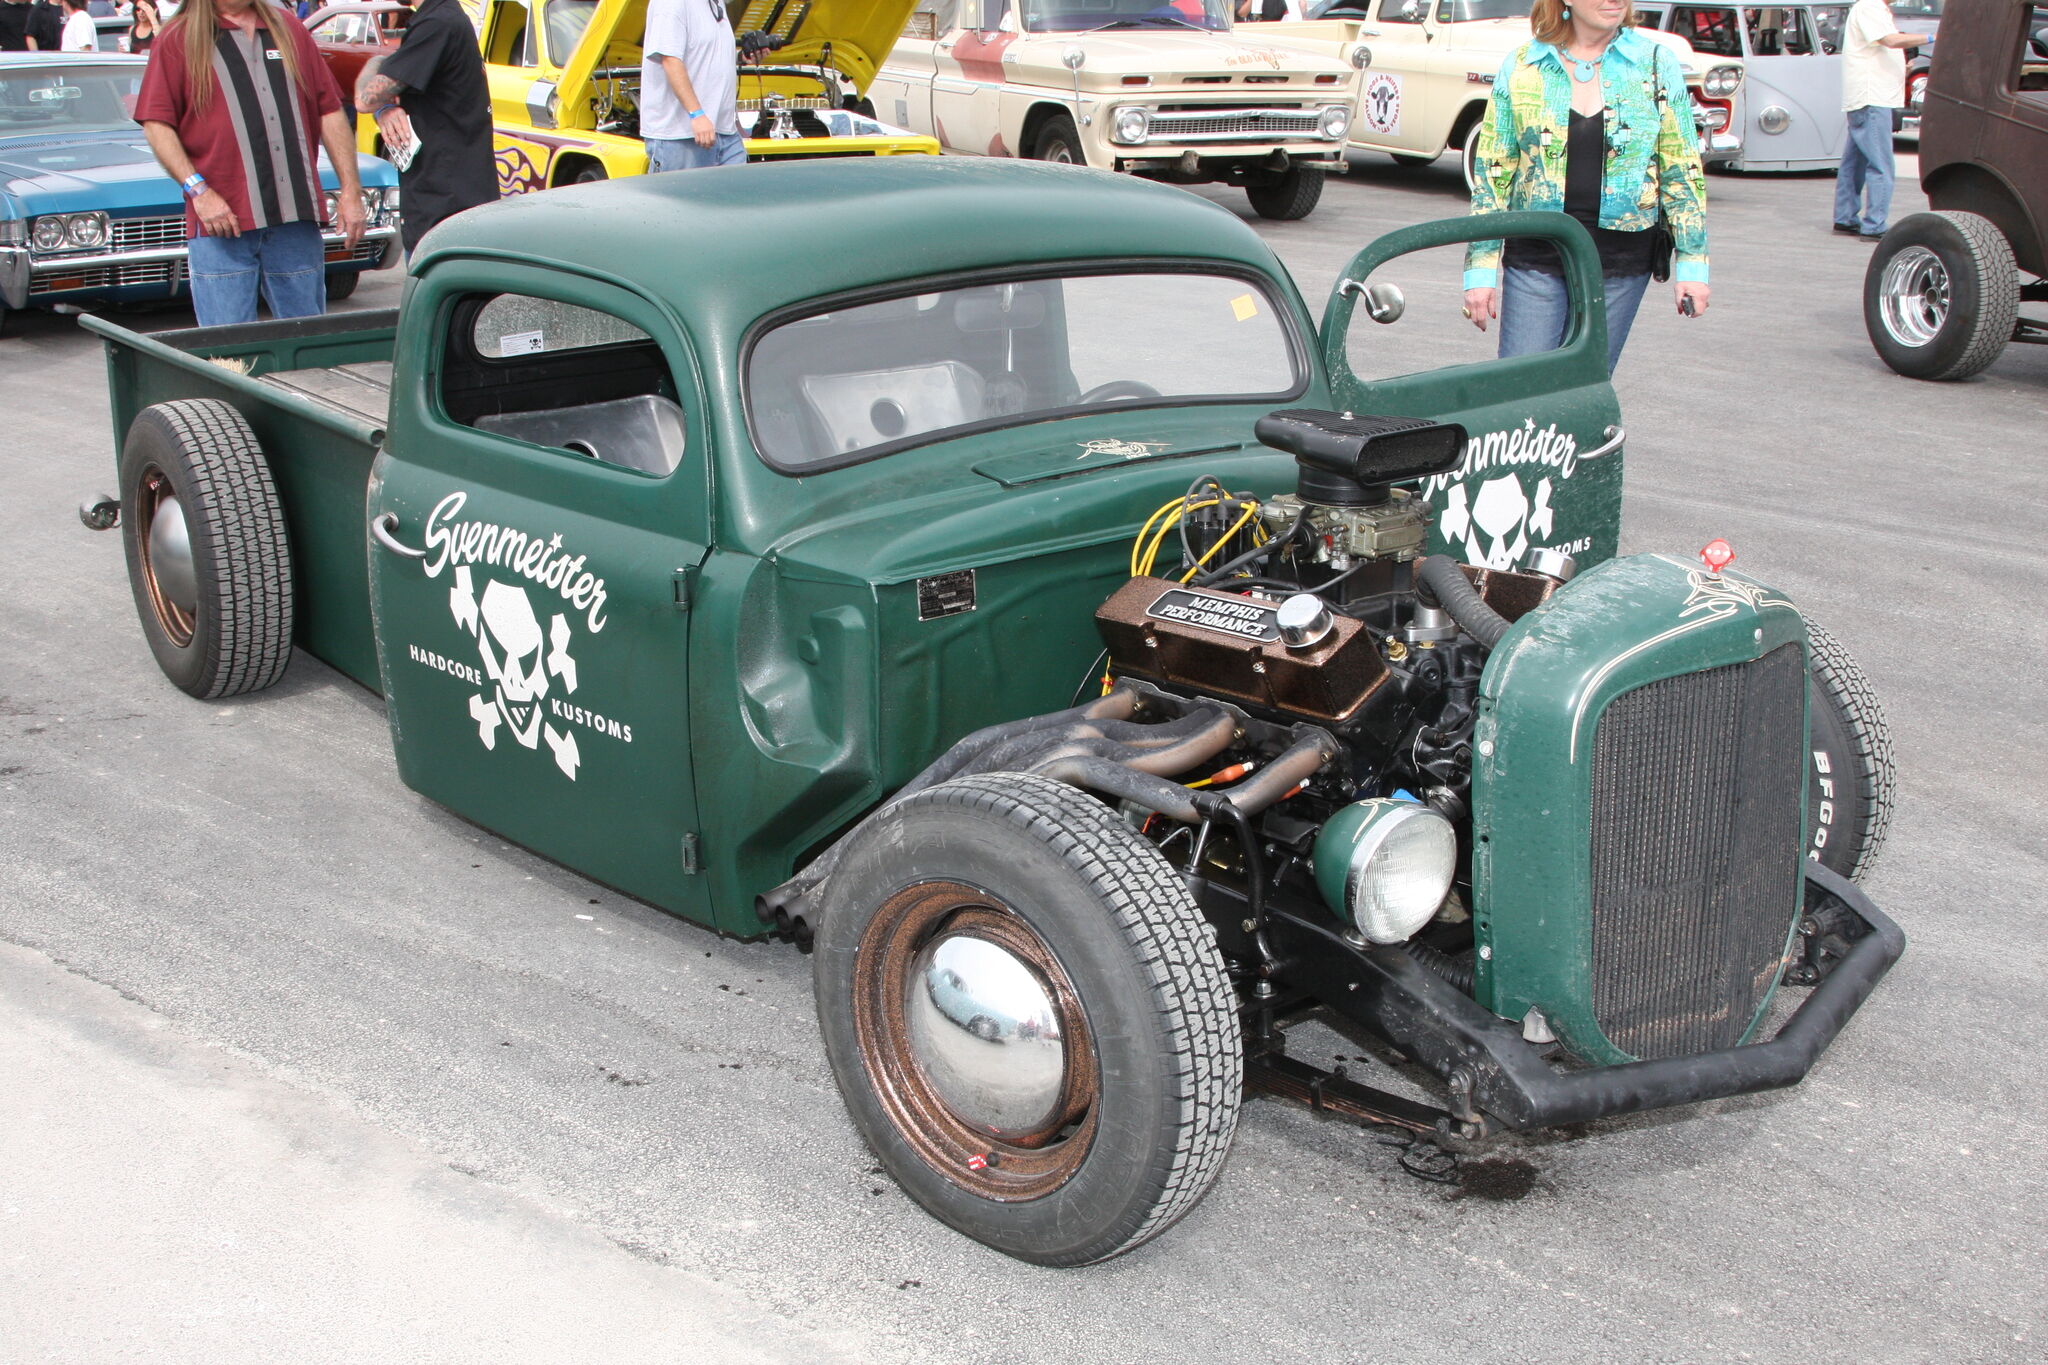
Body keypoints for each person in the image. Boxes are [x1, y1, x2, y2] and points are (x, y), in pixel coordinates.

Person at [1460, 0, 1709, 375]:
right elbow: (1493, 177)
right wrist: (1480, 271)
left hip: (1622, 258)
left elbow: (1682, 168)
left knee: (1586, 387)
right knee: (1520, 386)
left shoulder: (1656, 63)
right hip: (1537, 252)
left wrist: (1693, 265)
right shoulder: (1524, 65)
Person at [134, 0, 366, 325]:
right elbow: (157, 125)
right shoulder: (180, 37)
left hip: (294, 219)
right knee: (229, 355)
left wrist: (351, 191)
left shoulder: (288, 29)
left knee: (308, 343)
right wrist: (199, 191)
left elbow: (329, 110)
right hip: (221, 224)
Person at [352, 0, 496, 254]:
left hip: (446, 211)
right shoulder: (441, 18)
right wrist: (385, 110)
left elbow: (365, 100)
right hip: (449, 203)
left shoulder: (436, 24)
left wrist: (376, 63)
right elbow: (385, 94)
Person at [1835, 0, 1922, 240]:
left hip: (1866, 97)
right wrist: (1931, 37)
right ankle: (1874, 223)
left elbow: (1881, 49)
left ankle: (1845, 216)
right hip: (1872, 98)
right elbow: (1890, 40)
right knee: (1881, 164)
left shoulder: (1873, 9)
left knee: (1855, 162)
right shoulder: (1869, 7)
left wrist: (1903, 64)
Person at [641, 0, 742, 171]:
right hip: (681, 137)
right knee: (681, 198)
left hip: (725, 133)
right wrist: (697, 114)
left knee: (741, 196)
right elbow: (670, 60)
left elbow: (705, 55)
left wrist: (743, 57)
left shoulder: (715, 4)